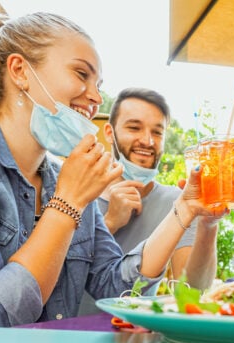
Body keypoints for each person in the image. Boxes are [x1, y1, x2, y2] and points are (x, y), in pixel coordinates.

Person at [0, 12, 224, 327]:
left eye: (98, 84)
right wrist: (68, 202)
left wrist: (183, 211)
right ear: (20, 71)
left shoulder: (66, 179)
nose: (97, 97)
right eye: (81, 74)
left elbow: (120, 289)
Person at [78, 88, 218, 314]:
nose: (147, 140)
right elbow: (56, 274)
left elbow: (192, 290)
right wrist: (110, 222)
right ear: (109, 132)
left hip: (135, 338)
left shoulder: (180, 202)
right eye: (134, 128)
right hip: (67, 332)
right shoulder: (77, 191)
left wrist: (208, 226)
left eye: (157, 132)